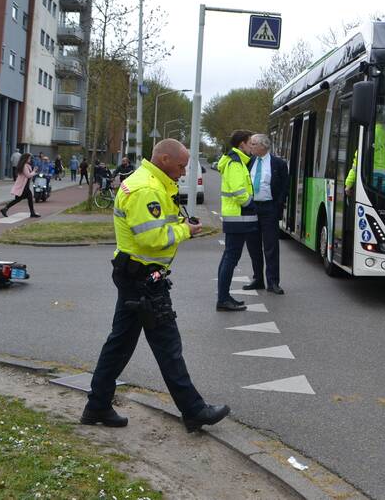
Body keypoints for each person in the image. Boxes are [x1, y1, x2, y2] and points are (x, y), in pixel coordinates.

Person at [82, 138, 230, 432]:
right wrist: (185, 230)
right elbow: (151, 238)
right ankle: (194, 410)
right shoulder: (146, 189)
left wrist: (180, 224)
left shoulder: (150, 182)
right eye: (181, 166)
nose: (183, 172)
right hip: (143, 278)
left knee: (120, 345)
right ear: (164, 160)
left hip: (136, 274)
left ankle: (97, 405)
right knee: (167, 345)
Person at [215, 130, 261, 311]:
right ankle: (223, 299)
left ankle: (224, 297)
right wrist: (251, 205)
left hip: (236, 216)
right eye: (250, 143)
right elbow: (238, 191)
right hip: (238, 216)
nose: (252, 147)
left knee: (229, 256)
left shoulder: (236, 161)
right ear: (242, 144)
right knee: (231, 258)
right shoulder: (235, 163)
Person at [243, 133, 290, 294]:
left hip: (269, 208)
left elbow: (285, 186)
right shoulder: (249, 162)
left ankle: (273, 282)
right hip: (252, 208)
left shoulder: (278, 164)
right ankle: (258, 279)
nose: (250, 147)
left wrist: (278, 205)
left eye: (253, 144)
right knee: (253, 245)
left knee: (271, 247)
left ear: (263, 146)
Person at [0, 153, 40, 218]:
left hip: (25, 186)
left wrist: (33, 170)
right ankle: (32, 213)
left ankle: (5, 209)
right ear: (26, 158)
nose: (30, 159)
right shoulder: (24, 166)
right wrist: (34, 172)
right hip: (23, 186)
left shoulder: (27, 165)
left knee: (20, 199)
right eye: (29, 158)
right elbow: (28, 175)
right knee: (26, 198)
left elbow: (29, 174)